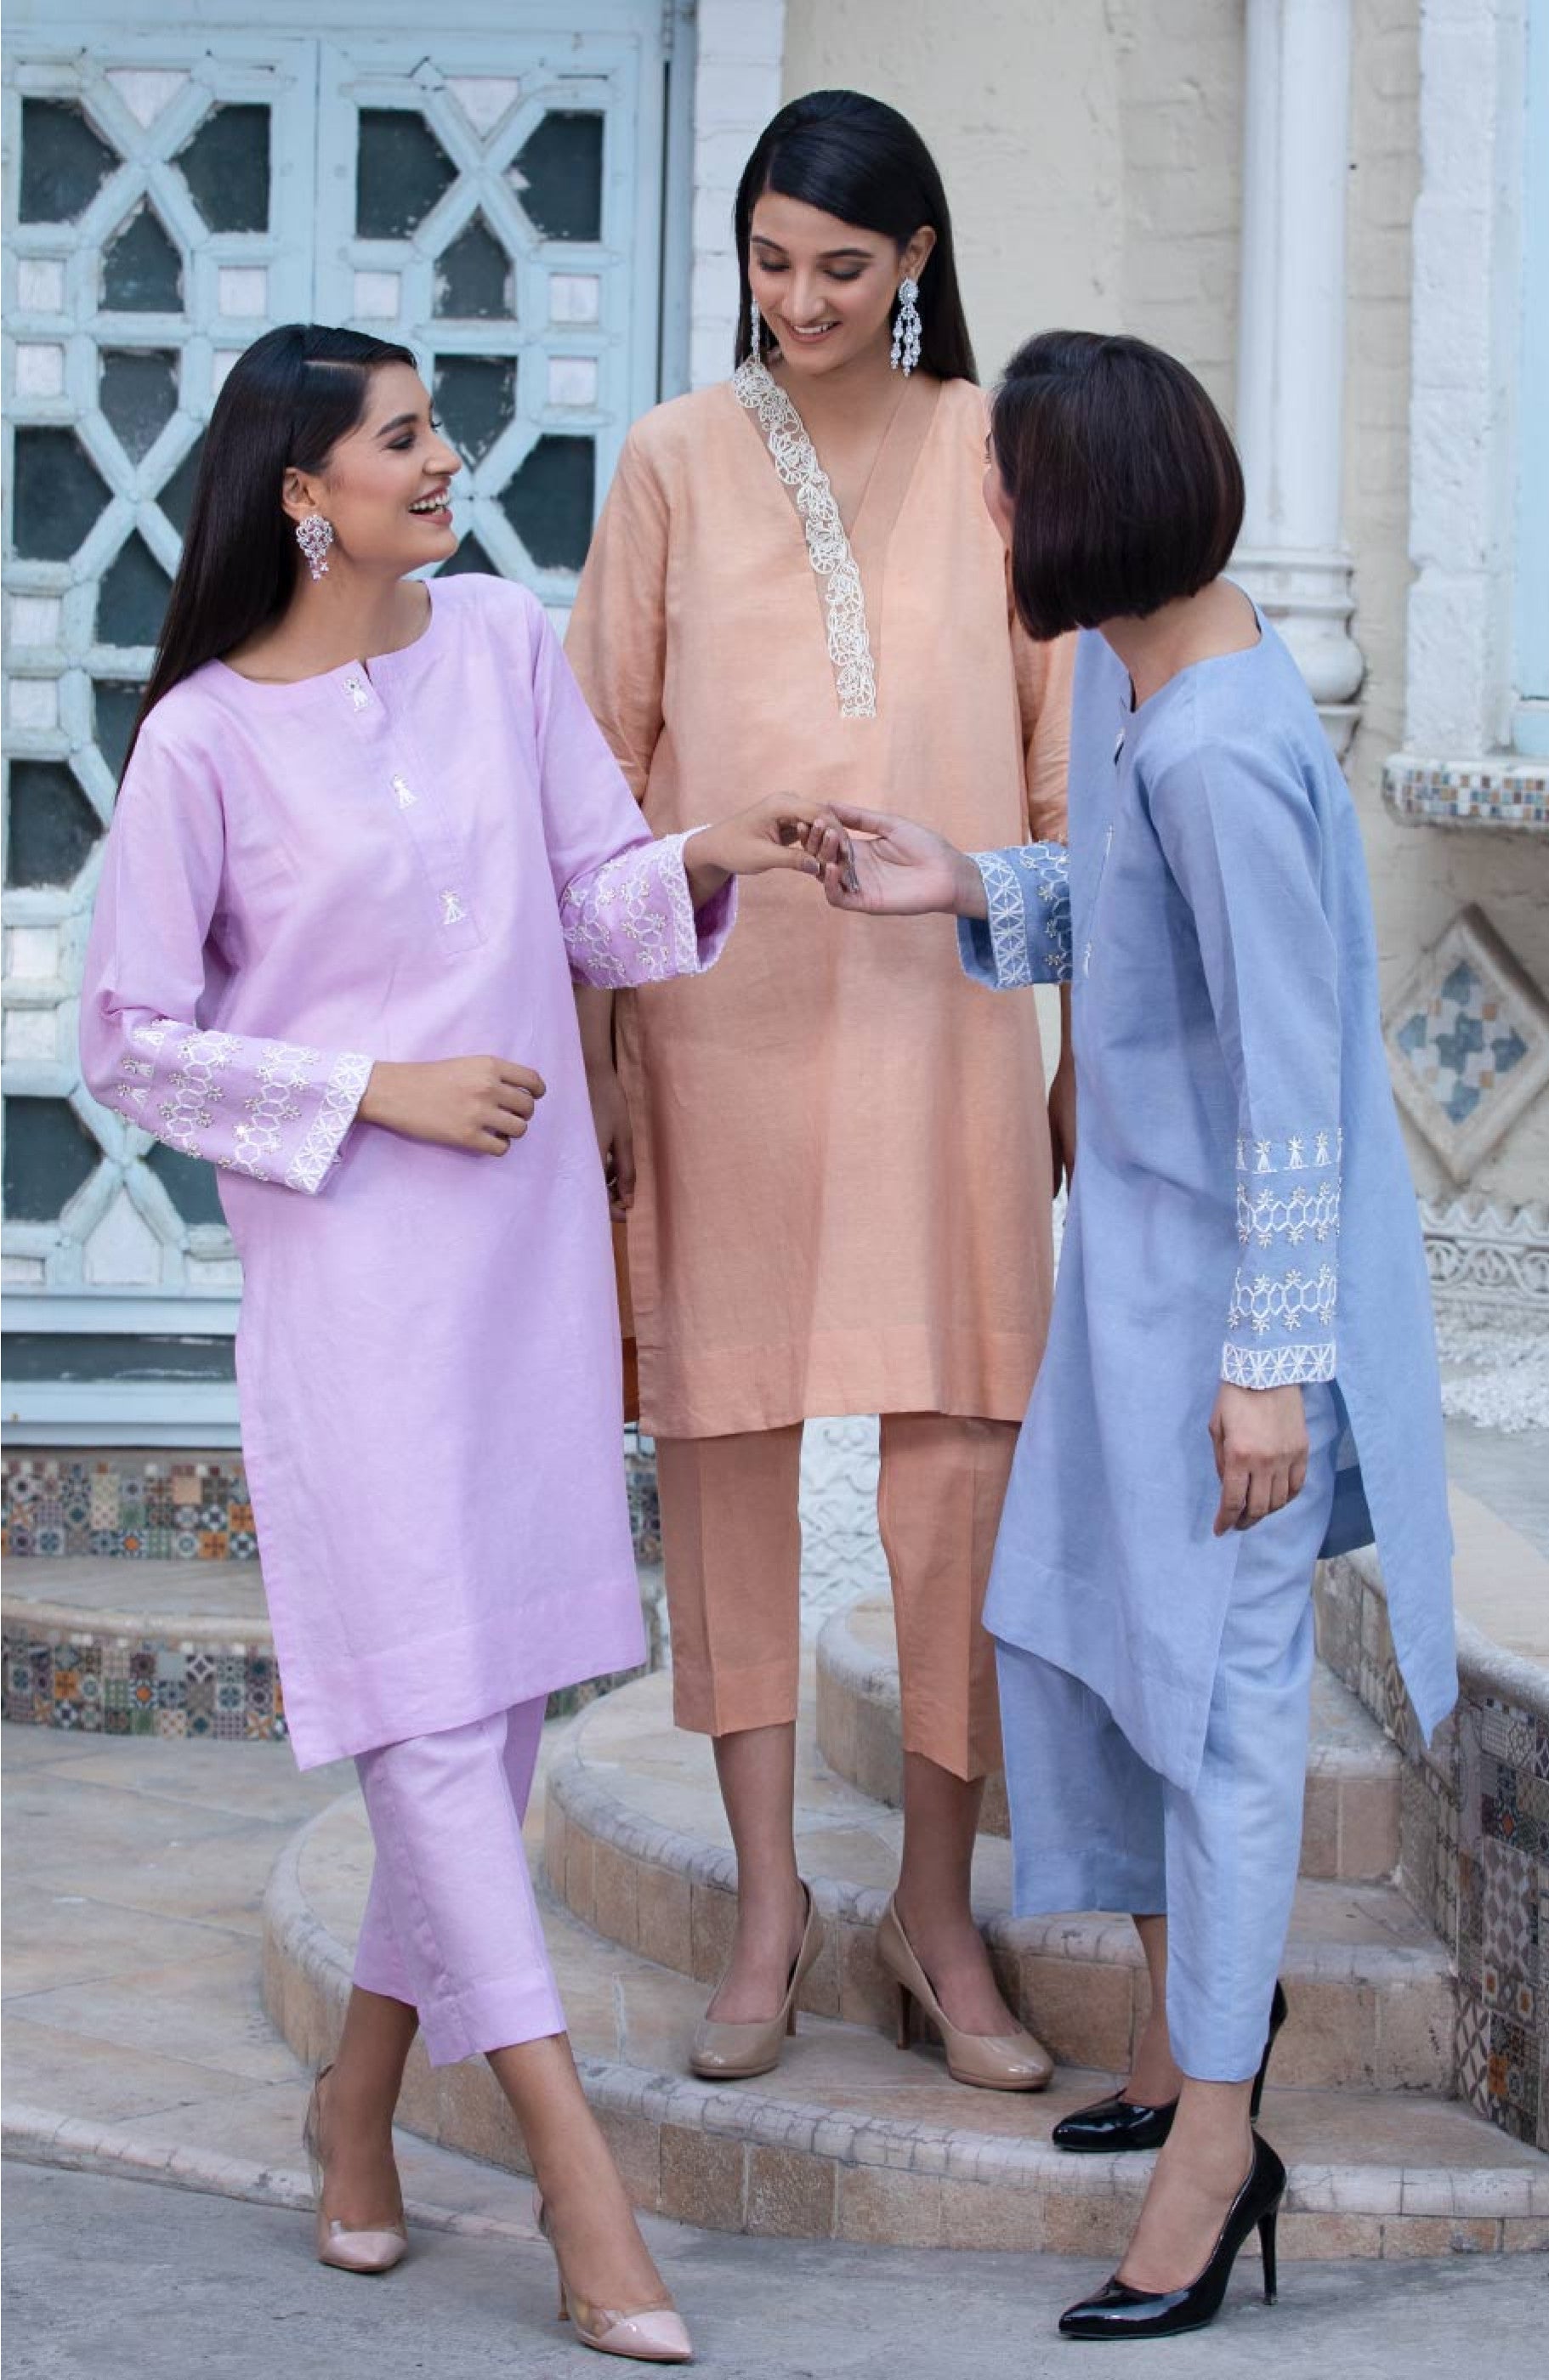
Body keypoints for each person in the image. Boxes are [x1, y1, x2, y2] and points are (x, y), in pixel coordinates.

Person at [77, 322, 835, 2366]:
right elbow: (129, 1039)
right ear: (302, 495)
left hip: (521, 1265)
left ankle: (355, 2098)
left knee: (488, 1720)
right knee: (424, 1718)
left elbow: (592, 895)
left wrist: (709, 851)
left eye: (435, 427)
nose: (444, 459)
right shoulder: (203, 745)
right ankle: (578, 2179)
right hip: (355, 1281)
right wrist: (373, 1089)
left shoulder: (501, 642)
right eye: (403, 437)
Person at [803, 329, 1456, 2341]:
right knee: (1099, 1637)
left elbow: (1291, 1083)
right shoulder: (1132, 668)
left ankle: (1219, 2147)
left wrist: (1268, 1368)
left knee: (1233, 1708)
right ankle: (1183, 2044)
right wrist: (963, 882)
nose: (992, 515)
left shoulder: (1221, 745)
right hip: (1139, 1278)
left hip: (1231, 1311)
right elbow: (1130, 905)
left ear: (1084, 509)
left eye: (1010, 488)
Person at [565, 91, 1069, 2094]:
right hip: (724, 1027)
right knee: (726, 1457)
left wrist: (1079, 1063)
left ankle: (935, 1915)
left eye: (841, 267)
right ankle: (768, 1910)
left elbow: (1064, 785)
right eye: (770, 262)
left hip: (947, 1029)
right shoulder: (674, 460)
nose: (799, 300)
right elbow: (593, 784)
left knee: (963, 1463)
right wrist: (602, 1053)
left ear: (917, 257)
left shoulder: (1000, 456)